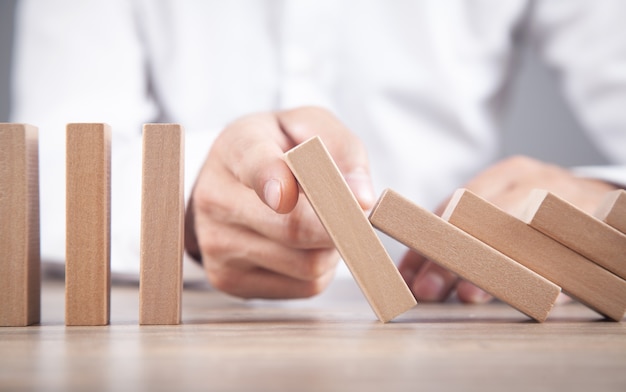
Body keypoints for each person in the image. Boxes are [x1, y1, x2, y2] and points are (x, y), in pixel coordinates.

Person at [11, 0, 626, 304]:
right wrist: (184, 206)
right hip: (184, 336)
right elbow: (42, 168)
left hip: (451, 316)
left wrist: (601, 201)